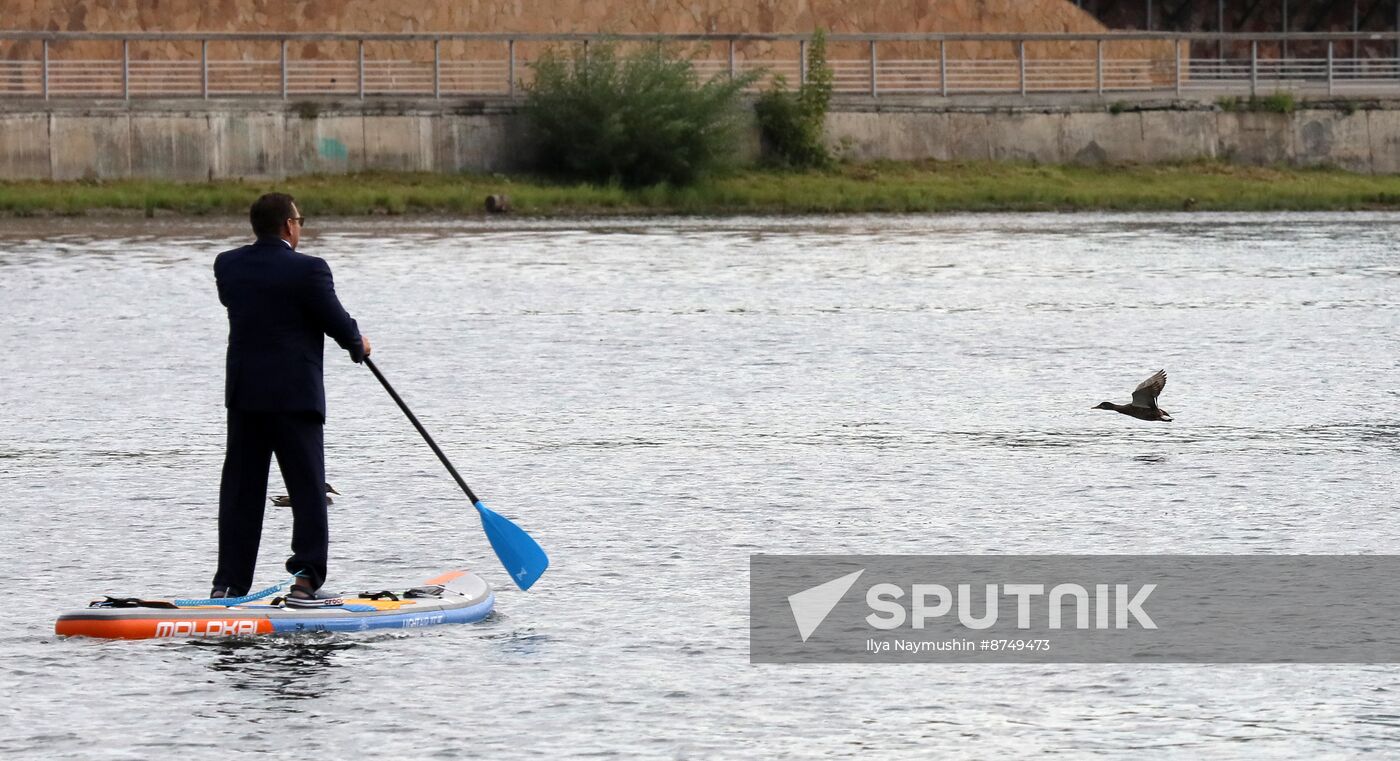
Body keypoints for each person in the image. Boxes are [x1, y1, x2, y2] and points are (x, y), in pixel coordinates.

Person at [210, 193, 370, 608]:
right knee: (308, 490)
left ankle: (227, 585)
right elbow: (335, 320)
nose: (301, 227)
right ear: (288, 226)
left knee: (242, 492)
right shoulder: (309, 269)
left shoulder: (228, 266)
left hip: (245, 398)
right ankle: (305, 582)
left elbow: (261, 305)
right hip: (294, 399)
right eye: (300, 220)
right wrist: (358, 343)